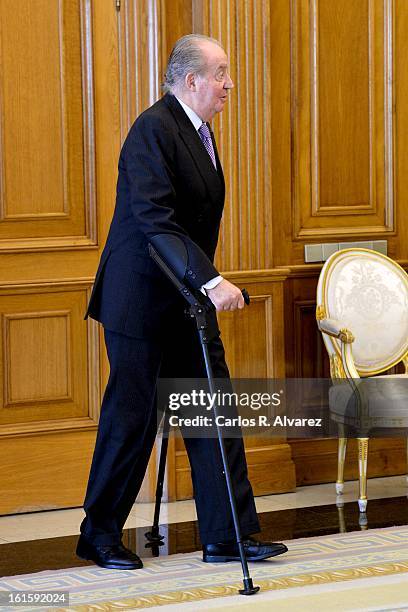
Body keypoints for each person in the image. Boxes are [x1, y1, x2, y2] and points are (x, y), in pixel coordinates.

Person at [76, 34, 288, 570]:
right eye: (221, 73)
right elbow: (155, 221)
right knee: (133, 417)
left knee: (211, 407)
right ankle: (98, 534)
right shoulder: (153, 129)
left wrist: (201, 284)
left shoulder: (199, 131)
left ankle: (228, 535)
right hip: (140, 302)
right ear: (190, 80)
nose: (229, 84)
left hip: (184, 300)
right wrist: (212, 282)